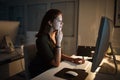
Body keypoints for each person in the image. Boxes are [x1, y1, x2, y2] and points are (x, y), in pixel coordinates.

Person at [29, 9, 85, 78]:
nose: (62, 24)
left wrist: (73, 59)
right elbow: (56, 63)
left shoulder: (55, 35)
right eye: (59, 21)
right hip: (41, 73)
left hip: (51, 70)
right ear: (50, 22)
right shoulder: (41, 40)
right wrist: (58, 43)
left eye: (62, 21)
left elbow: (59, 55)